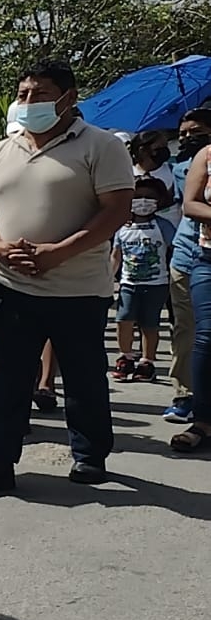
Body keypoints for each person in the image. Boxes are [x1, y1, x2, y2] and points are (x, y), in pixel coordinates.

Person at [0, 59, 133, 491]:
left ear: (68, 99)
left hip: (78, 288)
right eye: (23, 94)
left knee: (84, 376)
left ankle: (90, 455)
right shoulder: (2, 150)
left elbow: (117, 210)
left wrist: (59, 252)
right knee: (8, 378)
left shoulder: (101, 145)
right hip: (12, 284)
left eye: (39, 94)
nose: (28, 102)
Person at [165, 109, 211, 422]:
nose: (186, 138)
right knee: (190, 330)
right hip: (188, 254)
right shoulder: (183, 166)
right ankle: (186, 394)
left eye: (195, 131)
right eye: (182, 133)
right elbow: (189, 204)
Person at [111, 176, 176, 382]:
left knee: (150, 323)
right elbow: (116, 255)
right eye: (138, 197)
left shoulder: (163, 226)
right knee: (124, 320)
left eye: (150, 197)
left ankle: (147, 361)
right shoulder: (122, 226)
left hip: (156, 284)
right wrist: (108, 278)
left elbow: (173, 250)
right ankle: (126, 356)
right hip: (128, 283)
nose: (143, 201)